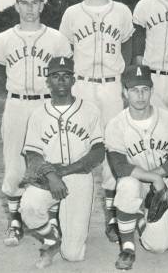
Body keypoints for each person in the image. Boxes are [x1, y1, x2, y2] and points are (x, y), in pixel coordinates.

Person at [0, 0, 72, 246]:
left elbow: (66, 74)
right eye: (24, 2)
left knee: (51, 159)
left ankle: (54, 218)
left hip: (46, 104)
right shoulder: (3, 39)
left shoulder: (57, 38)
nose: (29, 8)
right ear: (16, 6)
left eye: (34, 2)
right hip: (16, 104)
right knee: (14, 162)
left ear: (42, 5)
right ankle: (15, 222)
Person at [59, 0, 134, 243]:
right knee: (77, 148)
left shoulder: (122, 11)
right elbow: (64, 54)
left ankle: (112, 216)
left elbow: (127, 51)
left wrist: (124, 84)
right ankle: (70, 213)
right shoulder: (71, 14)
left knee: (112, 148)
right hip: (82, 86)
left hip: (111, 86)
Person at [19, 57, 105, 268]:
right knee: (28, 208)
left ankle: (66, 233)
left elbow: (98, 152)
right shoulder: (38, 114)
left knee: (73, 255)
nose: (61, 81)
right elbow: (33, 155)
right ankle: (51, 237)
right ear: (48, 81)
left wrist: (64, 171)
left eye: (66, 76)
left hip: (78, 176)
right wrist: (52, 176)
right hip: (48, 175)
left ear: (73, 80)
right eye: (56, 76)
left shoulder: (90, 110)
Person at [105, 65, 168, 272]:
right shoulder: (116, 124)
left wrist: (157, 176)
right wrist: (152, 178)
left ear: (152, 91)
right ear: (125, 93)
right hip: (135, 180)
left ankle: (139, 219)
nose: (140, 95)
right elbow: (119, 166)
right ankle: (127, 246)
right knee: (126, 186)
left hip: (164, 182)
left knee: (158, 246)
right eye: (134, 90)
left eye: (145, 89)